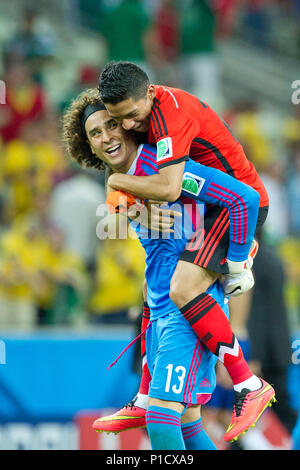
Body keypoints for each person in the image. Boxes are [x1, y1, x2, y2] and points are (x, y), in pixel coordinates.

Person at [62, 89, 275, 444]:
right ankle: (144, 395)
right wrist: (124, 201)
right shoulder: (118, 179)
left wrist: (238, 251)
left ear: (130, 126)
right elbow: (127, 209)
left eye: (111, 125)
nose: (105, 137)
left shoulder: (165, 165)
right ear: (87, 145)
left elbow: (234, 199)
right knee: (188, 422)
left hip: (189, 305)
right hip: (160, 301)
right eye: (94, 133)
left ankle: (247, 384)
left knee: (162, 420)